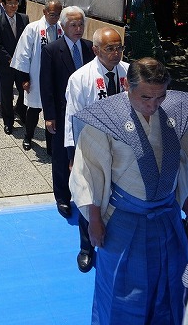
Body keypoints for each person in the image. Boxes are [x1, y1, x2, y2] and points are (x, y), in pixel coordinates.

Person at [69, 58, 188, 325]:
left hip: (167, 217)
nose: (153, 105)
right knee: (122, 293)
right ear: (127, 86)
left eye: (160, 96)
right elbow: (89, 170)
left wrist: (186, 200)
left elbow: (184, 162)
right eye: (145, 97)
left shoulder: (176, 112)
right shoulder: (106, 117)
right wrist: (94, 220)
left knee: (171, 285)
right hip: (125, 219)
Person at [64, 26, 129, 273]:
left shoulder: (129, 73)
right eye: (109, 48)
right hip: (91, 150)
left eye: (119, 47)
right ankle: (86, 247)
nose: (116, 53)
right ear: (95, 50)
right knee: (89, 198)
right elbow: (73, 118)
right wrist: (73, 156)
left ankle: (116, 245)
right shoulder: (80, 78)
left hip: (122, 150)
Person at [39, 5, 93, 218]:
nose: (78, 29)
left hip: (87, 112)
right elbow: (46, 85)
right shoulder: (52, 50)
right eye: (73, 25)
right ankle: (62, 197)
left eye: (81, 24)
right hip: (62, 113)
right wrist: (49, 116)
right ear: (62, 26)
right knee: (62, 156)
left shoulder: (90, 48)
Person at [10, 0, 63, 152]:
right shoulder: (33, 28)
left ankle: (51, 145)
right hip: (37, 76)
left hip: (56, 78)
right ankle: (28, 136)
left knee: (53, 112)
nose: (55, 18)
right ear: (44, 12)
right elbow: (23, 55)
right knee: (34, 109)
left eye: (58, 14)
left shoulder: (62, 28)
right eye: (52, 14)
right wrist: (24, 79)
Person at [0, 0, 29, 134]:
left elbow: (28, 41)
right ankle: (8, 121)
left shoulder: (24, 19)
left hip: (21, 65)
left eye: (15, 2)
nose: (13, 5)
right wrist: (9, 59)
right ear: (3, 4)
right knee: (6, 95)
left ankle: (20, 110)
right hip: (6, 65)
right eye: (9, 3)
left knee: (24, 90)